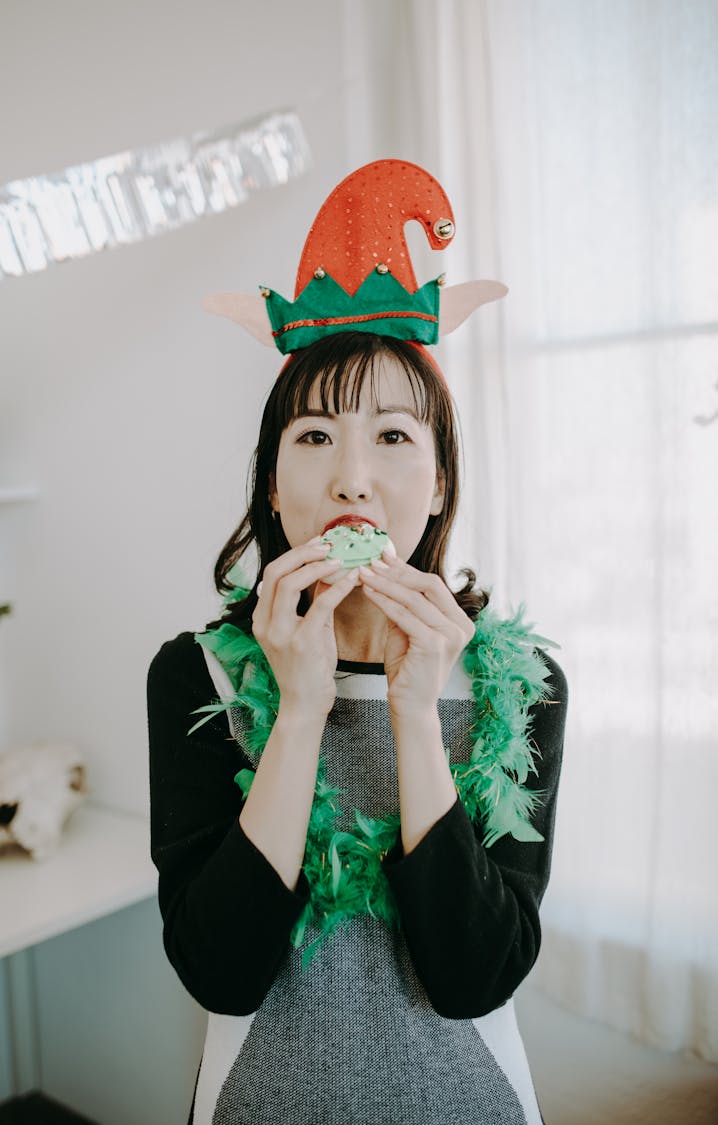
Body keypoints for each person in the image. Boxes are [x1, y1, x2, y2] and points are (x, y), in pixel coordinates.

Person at [147, 162, 568, 1125]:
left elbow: (476, 978)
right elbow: (221, 973)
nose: (352, 482)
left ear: (439, 480)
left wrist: (418, 714)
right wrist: (298, 712)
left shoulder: (525, 686)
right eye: (312, 437)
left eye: (390, 437)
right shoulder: (194, 676)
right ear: (270, 484)